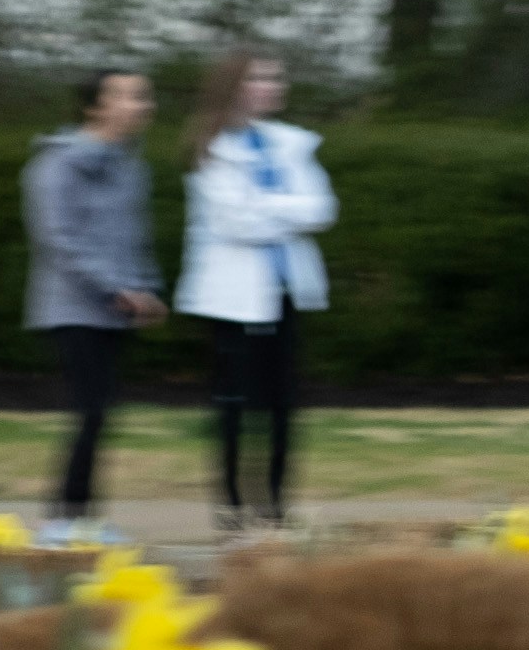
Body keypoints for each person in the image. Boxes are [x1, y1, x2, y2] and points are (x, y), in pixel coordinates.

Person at [174, 50, 337, 533]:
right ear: (233, 86)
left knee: (284, 402)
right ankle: (231, 504)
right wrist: (287, 210)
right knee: (234, 402)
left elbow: (322, 210)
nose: (272, 85)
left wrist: (268, 207)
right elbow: (235, 222)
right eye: (259, 77)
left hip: (286, 291)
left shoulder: (290, 144)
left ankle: (275, 503)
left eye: (275, 76)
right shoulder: (212, 148)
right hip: (232, 298)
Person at [22, 68, 166, 541]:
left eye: (144, 96)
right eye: (129, 96)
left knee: (101, 413)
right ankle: (63, 520)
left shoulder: (131, 167)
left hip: (114, 309)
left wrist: (146, 287)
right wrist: (116, 289)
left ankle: (79, 518)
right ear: (94, 107)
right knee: (91, 411)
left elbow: (135, 238)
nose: (142, 104)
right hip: (70, 306)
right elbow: (59, 242)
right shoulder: (54, 166)